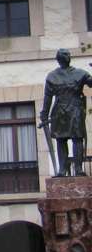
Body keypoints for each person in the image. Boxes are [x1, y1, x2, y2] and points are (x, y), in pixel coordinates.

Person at [40, 48, 92, 176]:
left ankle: (78, 168)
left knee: (77, 138)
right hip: (59, 111)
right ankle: (62, 169)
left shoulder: (80, 73)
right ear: (59, 59)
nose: (67, 56)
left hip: (75, 109)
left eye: (68, 54)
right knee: (60, 139)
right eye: (65, 55)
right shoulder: (52, 76)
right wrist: (44, 113)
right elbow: (48, 97)